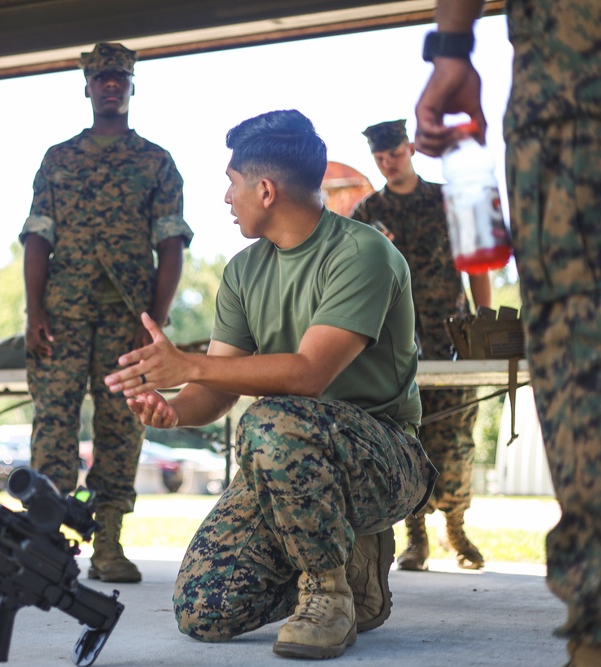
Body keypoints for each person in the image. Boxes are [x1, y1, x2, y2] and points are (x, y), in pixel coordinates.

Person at [105, 109, 438, 659]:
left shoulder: (362, 253)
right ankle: (335, 548)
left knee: (271, 419)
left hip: (385, 458)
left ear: (264, 190)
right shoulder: (243, 271)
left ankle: (330, 596)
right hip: (288, 459)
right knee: (204, 611)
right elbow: (216, 387)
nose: (226, 199)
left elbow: (308, 375)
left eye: (231, 185)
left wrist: (188, 366)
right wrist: (175, 410)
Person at [414, 2, 601, 664]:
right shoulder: (383, 208)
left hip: (573, 92)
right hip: (570, 96)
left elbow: (475, 269)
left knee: (583, 348)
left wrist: (452, 46)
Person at [20, 42, 193, 584]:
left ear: (131, 86)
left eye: (120, 77)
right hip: (62, 314)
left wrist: (156, 323)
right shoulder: (58, 159)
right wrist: (32, 311)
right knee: (53, 425)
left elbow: (171, 245)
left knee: (121, 426)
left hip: (128, 320)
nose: (111, 85)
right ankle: (48, 541)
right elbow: (37, 238)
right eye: (102, 78)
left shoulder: (156, 161)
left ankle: (109, 543)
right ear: (88, 87)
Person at [350, 118, 492, 571]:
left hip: (452, 337)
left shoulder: (447, 202)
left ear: (410, 148)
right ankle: (415, 538)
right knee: (406, 436)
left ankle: (456, 528)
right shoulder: (367, 213)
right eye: (379, 158)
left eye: (394, 153)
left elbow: (477, 263)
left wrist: (484, 324)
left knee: (455, 436)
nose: (388, 163)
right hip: (394, 344)